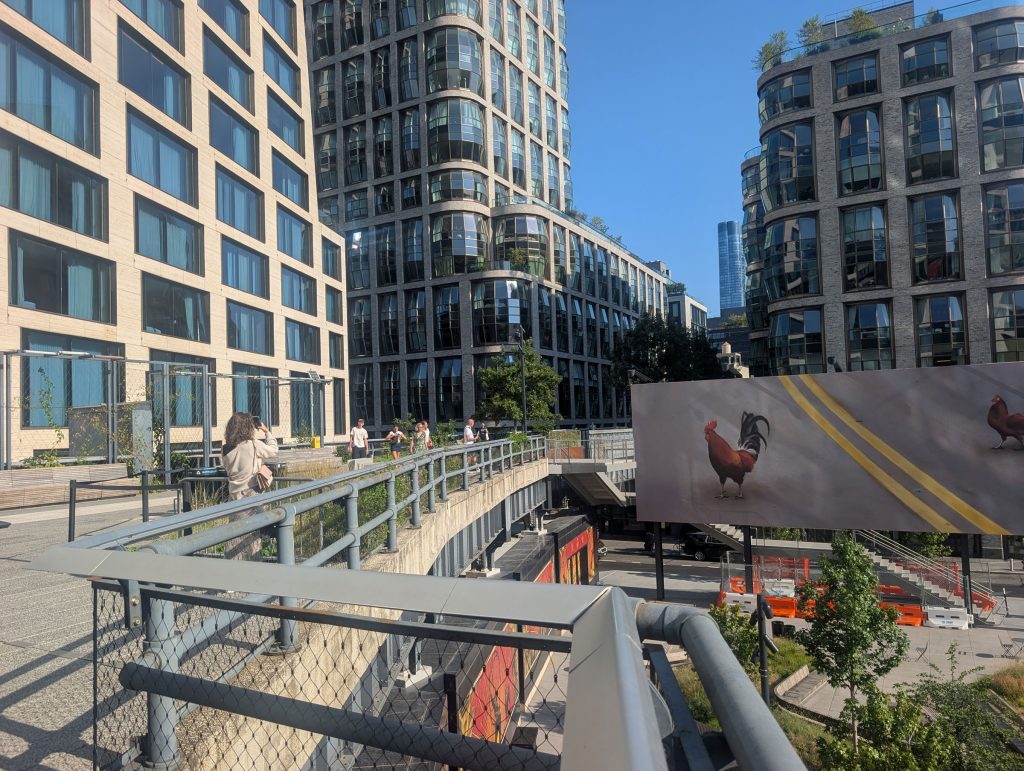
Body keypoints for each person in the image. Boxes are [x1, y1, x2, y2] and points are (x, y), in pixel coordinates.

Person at [222, 412, 278, 500]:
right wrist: (266, 432)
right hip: (251, 491)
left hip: (233, 493)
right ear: (248, 428)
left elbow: (226, 467)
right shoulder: (253, 444)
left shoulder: (225, 449)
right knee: (259, 514)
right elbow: (273, 450)